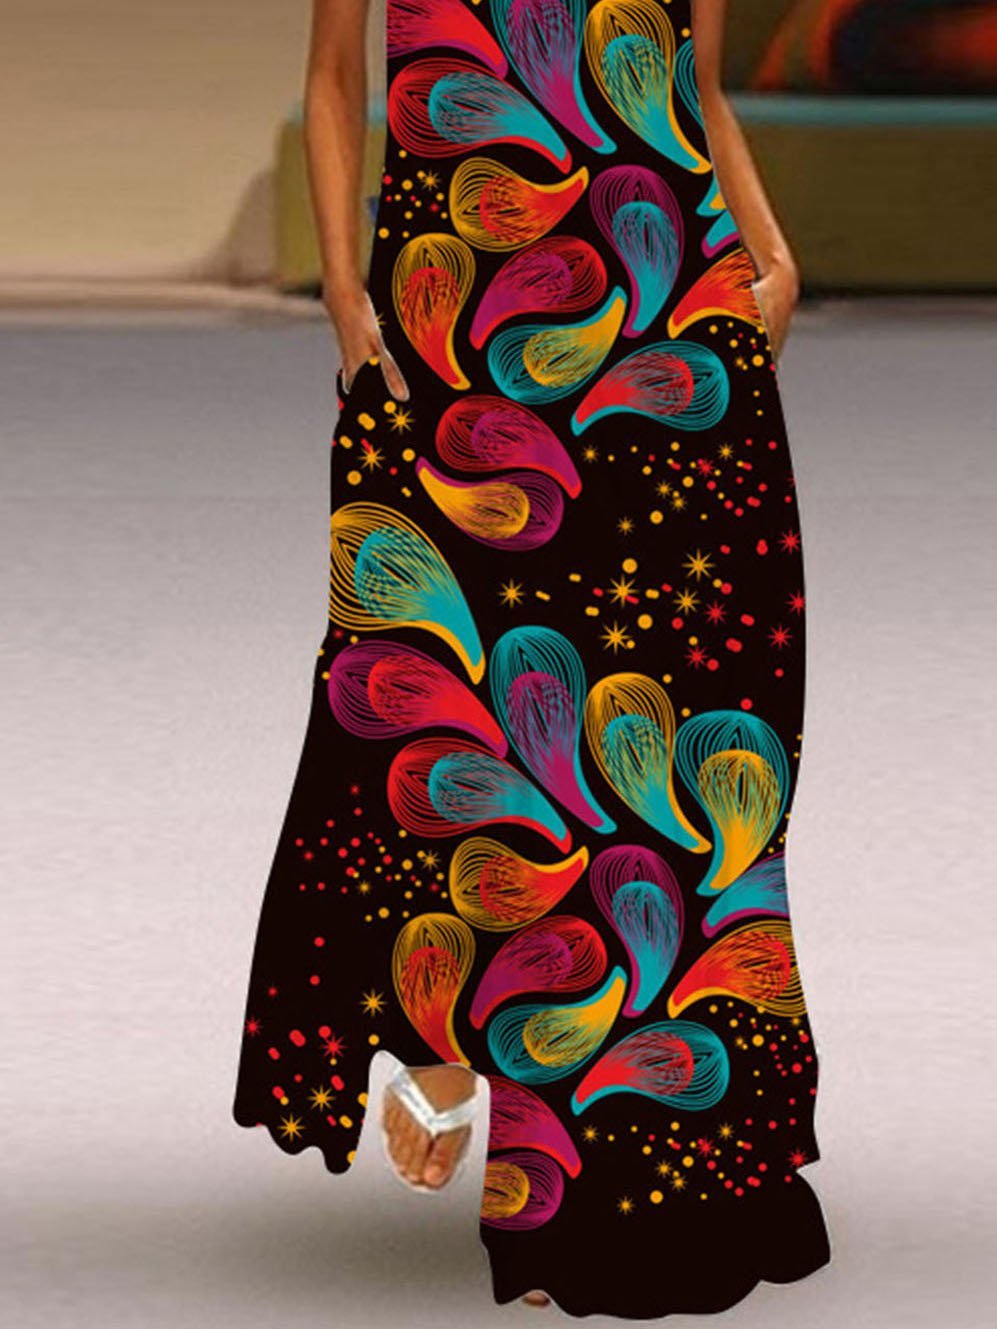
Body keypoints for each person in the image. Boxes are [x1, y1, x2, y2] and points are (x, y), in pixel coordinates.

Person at [233, 0, 832, 1315]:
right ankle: (466, 1049)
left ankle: (655, 1157)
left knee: (686, 740)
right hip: (455, 341)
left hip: (680, 329)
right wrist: (343, 297)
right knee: (470, 713)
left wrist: (776, 260)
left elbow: (695, 89)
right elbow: (334, 80)